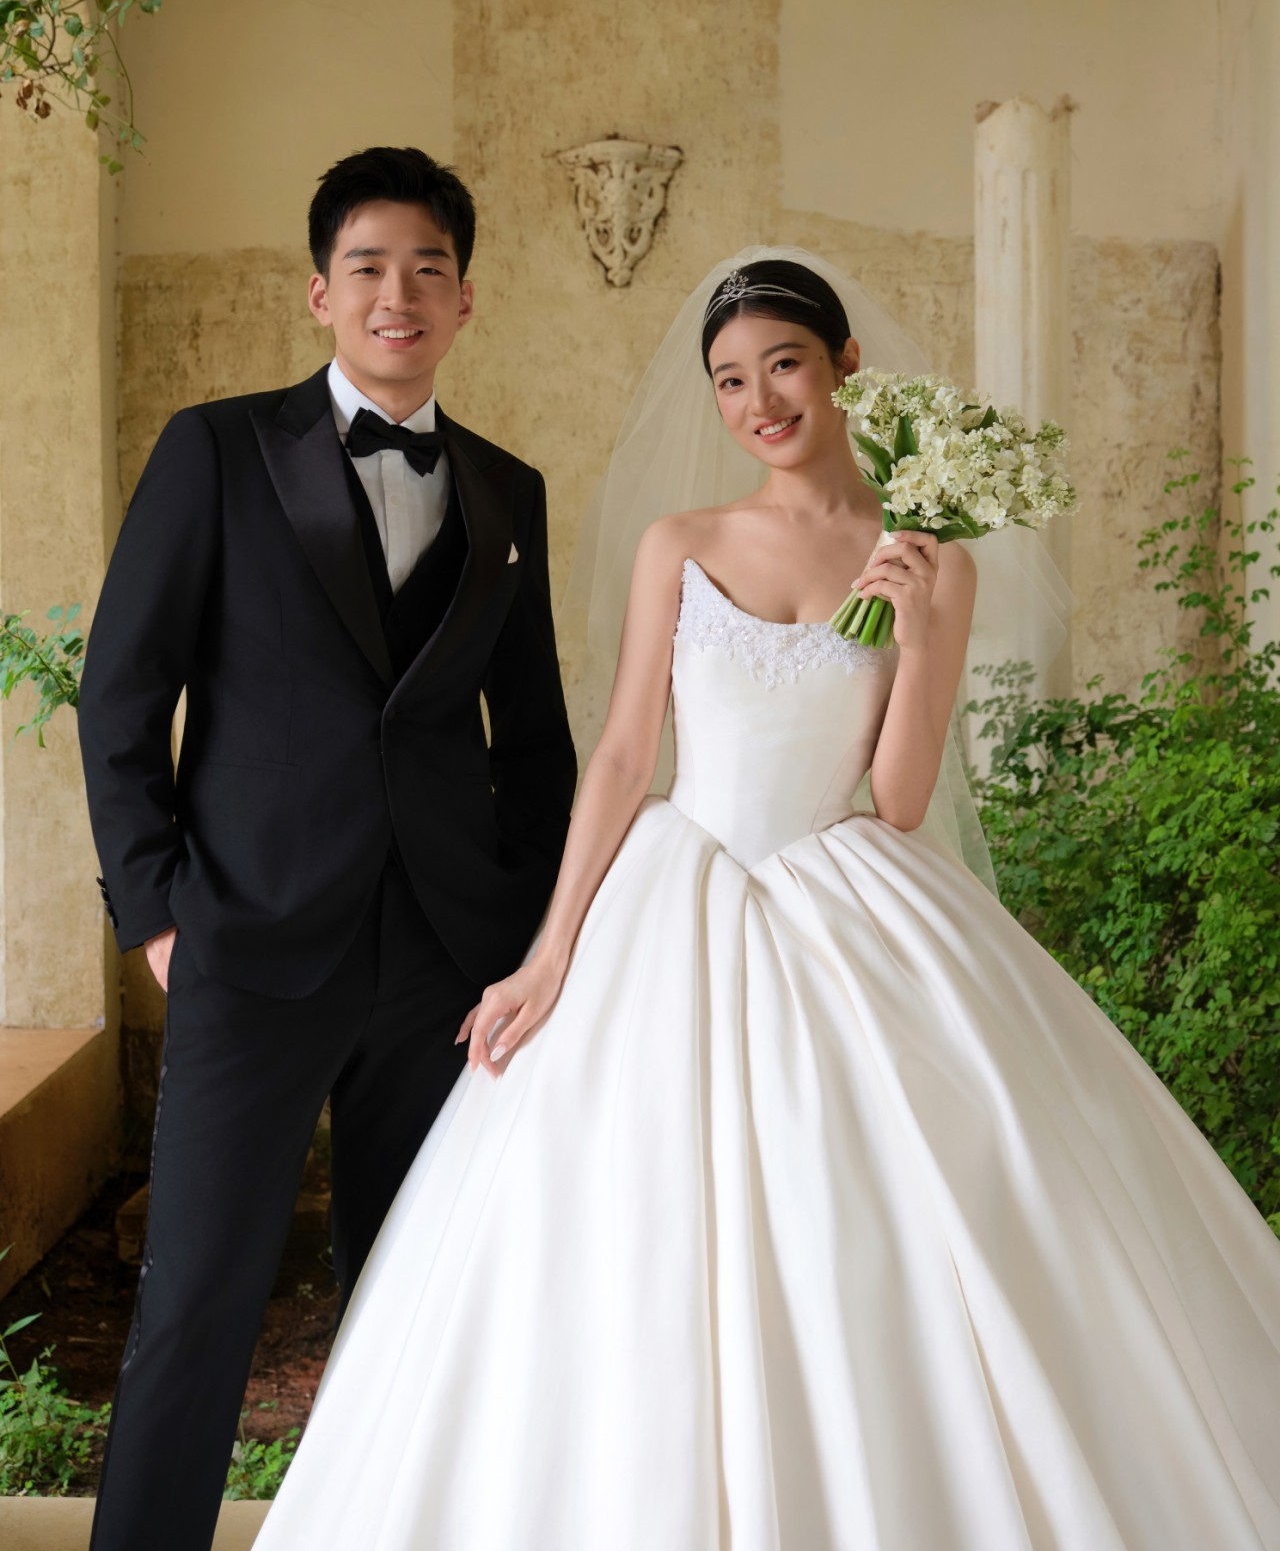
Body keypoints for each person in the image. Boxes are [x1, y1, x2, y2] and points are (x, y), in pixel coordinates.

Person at [255, 250, 1280, 1551]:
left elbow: (898, 798)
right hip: (672, 896)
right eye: (730, 381)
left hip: (846, 895)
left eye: (783, 366)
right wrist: (552, 954)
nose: (758, 402)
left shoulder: (930, 560)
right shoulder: (679, 547)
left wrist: (916, 628)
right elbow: (625, 754)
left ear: (845, 366)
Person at [76, 145, 576, 1551]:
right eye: (367, 267)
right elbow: (123, 695)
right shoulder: (216, 450)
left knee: (415, 1303)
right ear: (319, 293)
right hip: (245, 941)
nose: (396, 293)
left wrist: (528, 943)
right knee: (196, 1303)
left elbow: (535, 742)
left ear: (466, 299)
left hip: (445, 967)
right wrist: (157, 915)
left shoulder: (509, 491)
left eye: (428, 268)